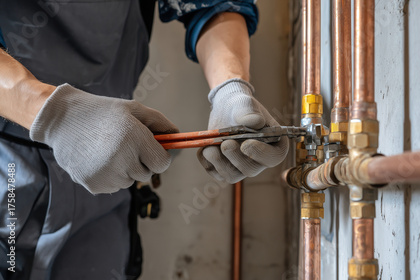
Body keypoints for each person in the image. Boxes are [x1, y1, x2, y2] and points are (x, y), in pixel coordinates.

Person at [0, 1, 288, 279]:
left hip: (110, 177)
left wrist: (230, 89)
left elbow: (212, 4)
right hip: (11, 176)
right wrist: (54, 115)